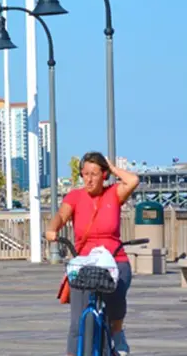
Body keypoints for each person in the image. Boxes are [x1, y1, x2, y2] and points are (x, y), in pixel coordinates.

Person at [45, 152, 140, 356]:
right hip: (85, 261)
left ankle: (117, 332)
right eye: (85, 173)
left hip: (114, 258)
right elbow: (61, 215)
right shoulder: (75, 196)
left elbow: (133, 180)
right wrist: (52, 229)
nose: (89, 179)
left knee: (117, 296)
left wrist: (113, 168)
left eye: (94, 173)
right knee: (76, 322)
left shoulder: (114, 194)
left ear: (104, 175)